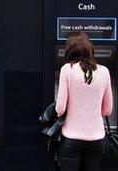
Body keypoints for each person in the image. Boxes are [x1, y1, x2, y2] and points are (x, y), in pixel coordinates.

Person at [55, 32, 113, 171]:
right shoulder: (104, 71)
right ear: (89, 48)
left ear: (70, 49)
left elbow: (60, 109)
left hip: (72, 138)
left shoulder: (67, 69)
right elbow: (107, 110)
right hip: (97, 139)